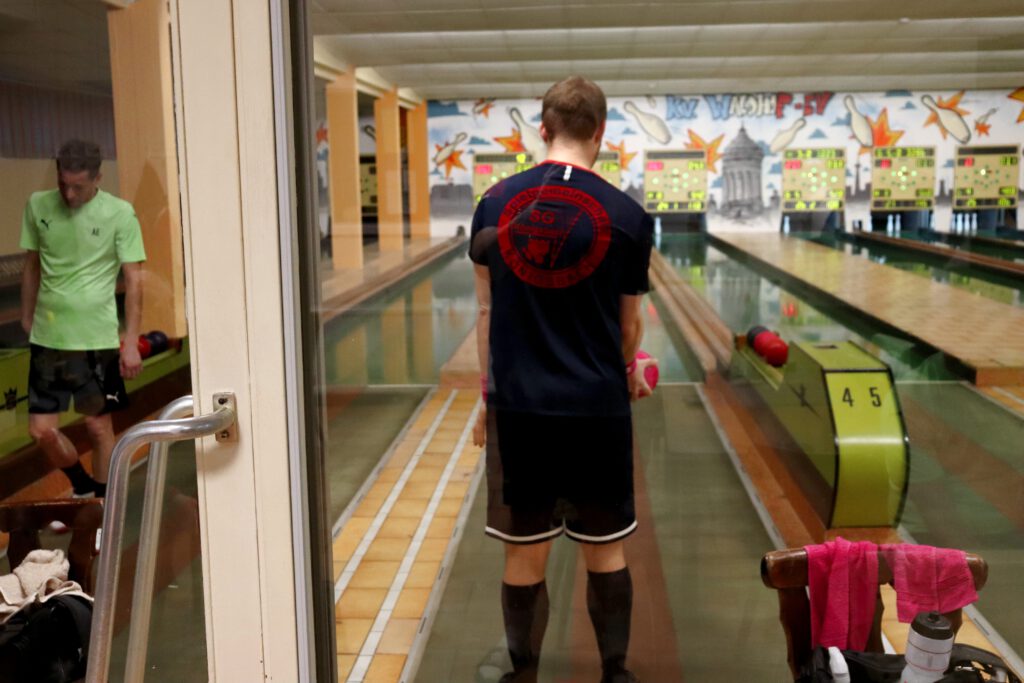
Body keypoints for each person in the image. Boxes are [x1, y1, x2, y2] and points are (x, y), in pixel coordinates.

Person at [470, 76, 656, 683]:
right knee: (606, 550)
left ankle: (523, 675)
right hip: (596, 409)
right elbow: (629, 328)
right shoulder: (628, 216)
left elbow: (486, 314)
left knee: (524, 555)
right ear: (601, 132)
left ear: (543, 129)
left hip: (520, 408)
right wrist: (625, 369)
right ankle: (615, 674)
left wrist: (487, 400)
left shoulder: (494, 205)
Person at [20, 139, 146, 500]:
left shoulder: (120, 213)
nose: (69, 194)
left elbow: (135, 281)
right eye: (63, 184)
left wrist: (131, 342)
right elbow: (32, 266)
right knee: (41, 431)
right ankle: (82, 484)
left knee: (97, 427)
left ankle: (105, 503)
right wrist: (27, 317)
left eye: (78, 186)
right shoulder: (38, 204)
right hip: (49, 338)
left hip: (96, 340)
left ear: (98, 178)